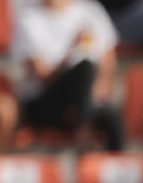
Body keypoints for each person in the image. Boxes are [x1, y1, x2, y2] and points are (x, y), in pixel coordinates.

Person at [9, 0, 123, 150]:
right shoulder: (28, 18)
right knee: (85, 68)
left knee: (112, 117)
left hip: (84, 102)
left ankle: (114, 165)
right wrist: (71, 50)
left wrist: (101, 87)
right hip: (45, 102)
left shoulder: (92, 11)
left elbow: (108, 63)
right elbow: (44, 78)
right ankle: (83, 127)